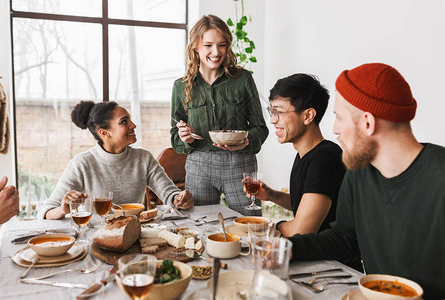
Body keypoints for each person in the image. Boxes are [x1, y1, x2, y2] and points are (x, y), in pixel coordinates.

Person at [288, 63, 445, 299]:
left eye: (339, 118)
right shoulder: (360, 171)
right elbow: (345, 237)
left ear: (368, 123)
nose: (335, 129)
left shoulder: (440, 178)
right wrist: (287, 248)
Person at [170, 15, 268, 216]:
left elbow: (260, 127)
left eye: (222, 45)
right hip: (199, 166)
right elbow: (175, 135)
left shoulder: (243, 79)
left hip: (240, 163)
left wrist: (246, 142)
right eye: (208, 45)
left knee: (250, 226)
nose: (216, 52)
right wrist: (184, 138)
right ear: (195, 46)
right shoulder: (181, 86)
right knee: (199, 227)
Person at [39, 101, 193, 220]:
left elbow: (168, 192)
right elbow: (46, 211)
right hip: (96, 236)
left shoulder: (143, 158)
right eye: (124, 122)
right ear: (105, 133)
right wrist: (63, 209)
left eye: (130, 120)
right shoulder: (82, 164)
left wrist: (179, 199)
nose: (133, 125)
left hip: (134, 232)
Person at [244, 74, 345, 236]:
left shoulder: (323, 159)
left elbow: (301, 231)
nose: (272, 120)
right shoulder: (307, 154)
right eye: (271, 111)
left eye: (278, 112)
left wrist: (271, 226)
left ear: (307, 116)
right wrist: (271, 195)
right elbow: (306, 203)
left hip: (330, 260)